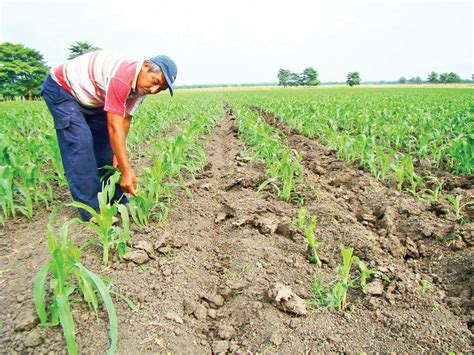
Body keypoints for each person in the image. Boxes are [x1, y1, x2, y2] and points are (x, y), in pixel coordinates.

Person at [40, 50, 177, 221]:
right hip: (63, 91)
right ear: (145, 66)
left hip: (94, 97)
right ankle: (92, 211)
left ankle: (115, 198)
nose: (153, 89)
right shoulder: (122, 77)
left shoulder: (142, 88)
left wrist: (118, 155)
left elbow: (125, 118)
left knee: (107, 151)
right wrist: (126, 170)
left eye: (160, 88)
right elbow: (114, 126)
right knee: (80, 147)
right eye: (154, 81)